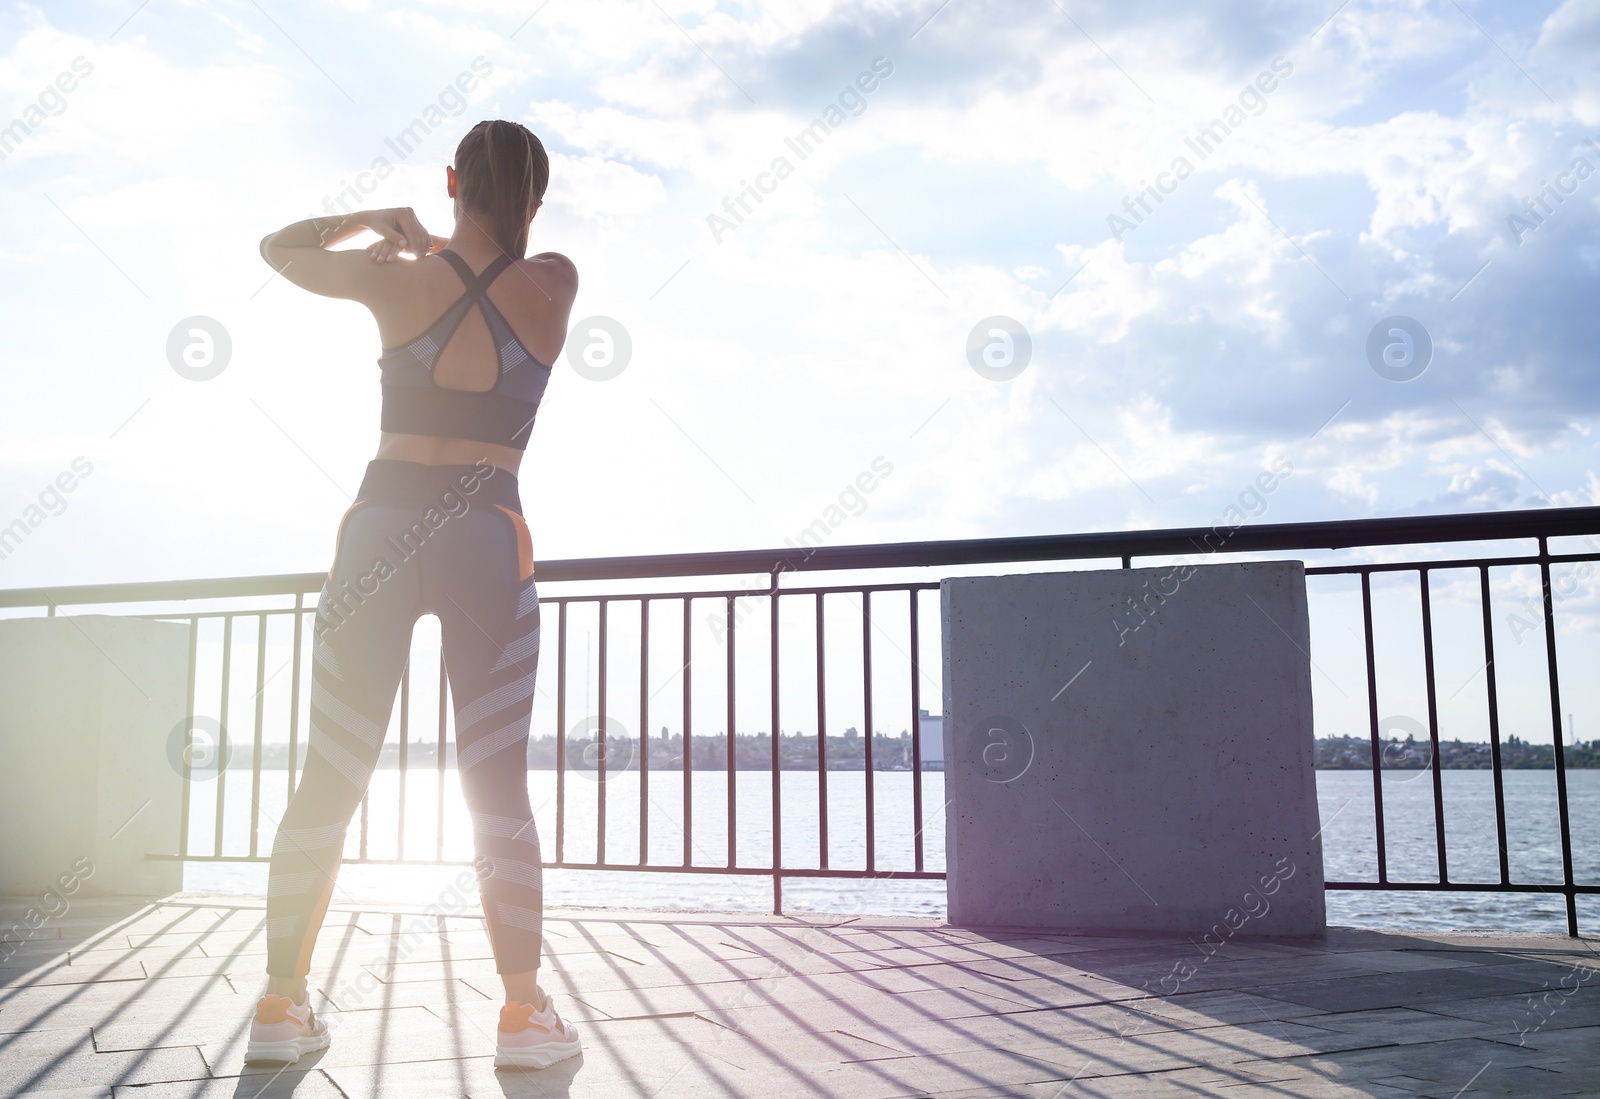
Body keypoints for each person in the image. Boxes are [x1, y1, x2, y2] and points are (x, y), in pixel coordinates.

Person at [245, 119, 581, 1071]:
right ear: (536, 198)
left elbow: (278, 250)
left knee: (330, 774)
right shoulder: (554, 283)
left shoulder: (396, 280)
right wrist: (447, 242)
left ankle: (281, 1003)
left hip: (381, 531)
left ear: (449, 182)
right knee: (496, 782)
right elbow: (502, 266)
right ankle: (522, 1017)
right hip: (485, 534)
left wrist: (372, 223)